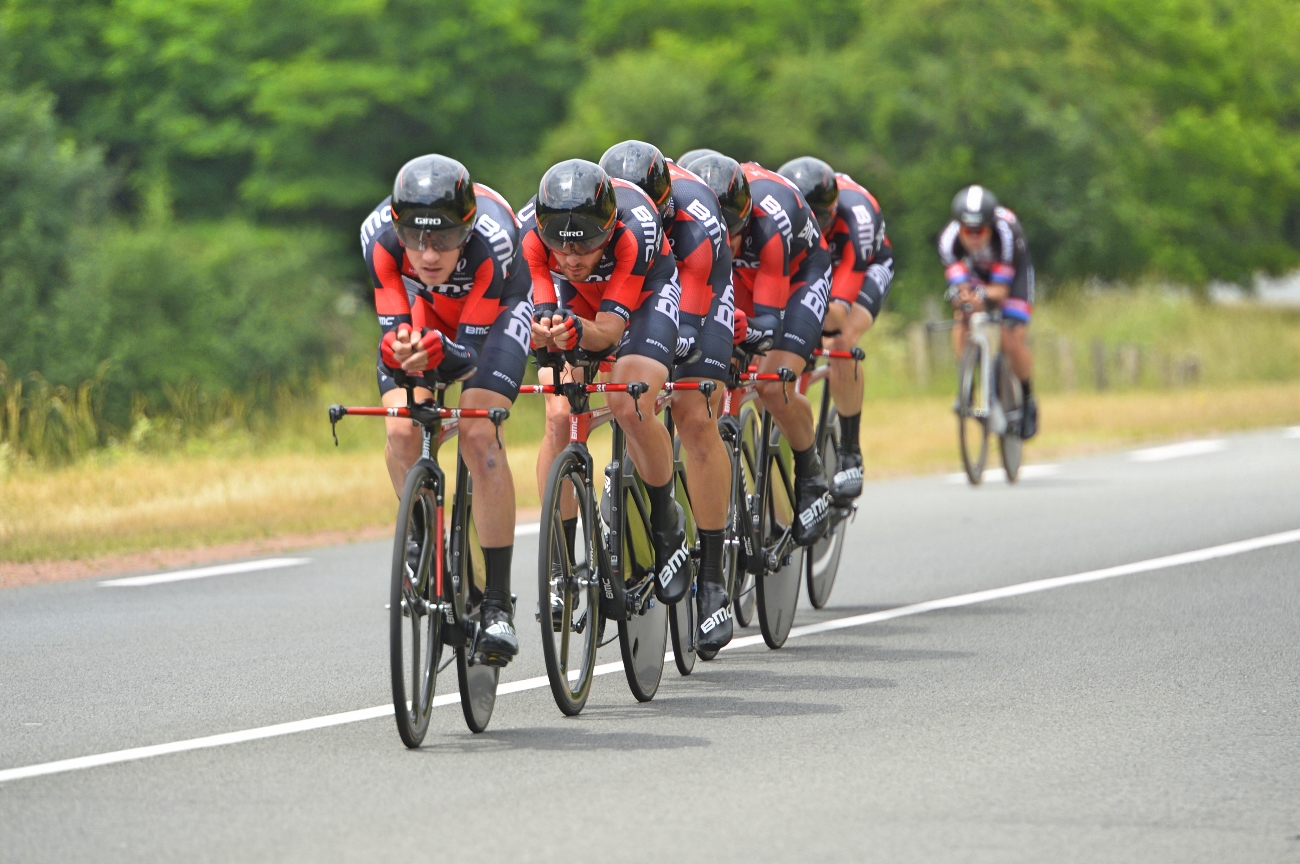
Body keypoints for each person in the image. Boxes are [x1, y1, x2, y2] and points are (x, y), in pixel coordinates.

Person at [361, 154, 533, 665]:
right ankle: (420, 538)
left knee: (480, 433)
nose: (429, 254)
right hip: (427, 316)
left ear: (468, 227)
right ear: (397, 226)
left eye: (444, 240)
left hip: (496, 314)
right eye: (415, 238)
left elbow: (469, 357)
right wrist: (408, 350)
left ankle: (498, 603)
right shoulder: (377, 238)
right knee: (401, 429)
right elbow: (395, 338)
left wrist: (436, 350)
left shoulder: (495, 240)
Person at [520, 159, 692, 607]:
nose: (573, 258)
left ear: (610, 230)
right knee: (560, 414)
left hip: (644, 295)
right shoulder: (532, 239)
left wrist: (575, 330)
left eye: (587, 245)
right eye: (561, 246)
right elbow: (541, 311)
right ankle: (560, 563)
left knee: (631, 405)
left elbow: (608, 334)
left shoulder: (633, 234)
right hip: (574, 301)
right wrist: (546, 331)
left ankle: (665, 523)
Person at [600, 140, 736, 651]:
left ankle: (715, 580)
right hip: (634, 281)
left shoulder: (695, 223)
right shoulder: (609, 217)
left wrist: (673, 359)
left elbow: (689, 323)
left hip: (702, 285)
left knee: (693, 411)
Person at [690, 153, 835, 546]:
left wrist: (746, 331)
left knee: (773, 383)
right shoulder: (693, 224)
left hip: (800, 274)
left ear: (744, 222)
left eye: (731, 237)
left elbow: (768, 328)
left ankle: (810, 474)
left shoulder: (768, 224)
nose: (725, 245)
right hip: (742, 275)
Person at [778, 157, 894, 504]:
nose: (814, 225)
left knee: (840, 338)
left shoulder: (855, 217)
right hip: (813, 262)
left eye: (821, 218)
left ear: (832, 211)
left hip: (860, 263)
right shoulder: (780, 212)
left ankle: (849, 451)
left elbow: (835, 317)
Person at [938, 185, 1038, 438]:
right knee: (964, 314)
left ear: (990, 226)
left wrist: (983, 294)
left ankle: (1028, 399)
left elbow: (1000, 291)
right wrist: (965, 297)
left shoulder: (1006, 233)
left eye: (979, 230)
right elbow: (960, 286)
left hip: (1012, 276)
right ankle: (967, 383)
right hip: (977, 273)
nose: (972, 237)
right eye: (966, 230)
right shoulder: (948, 240)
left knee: (1011, 336)